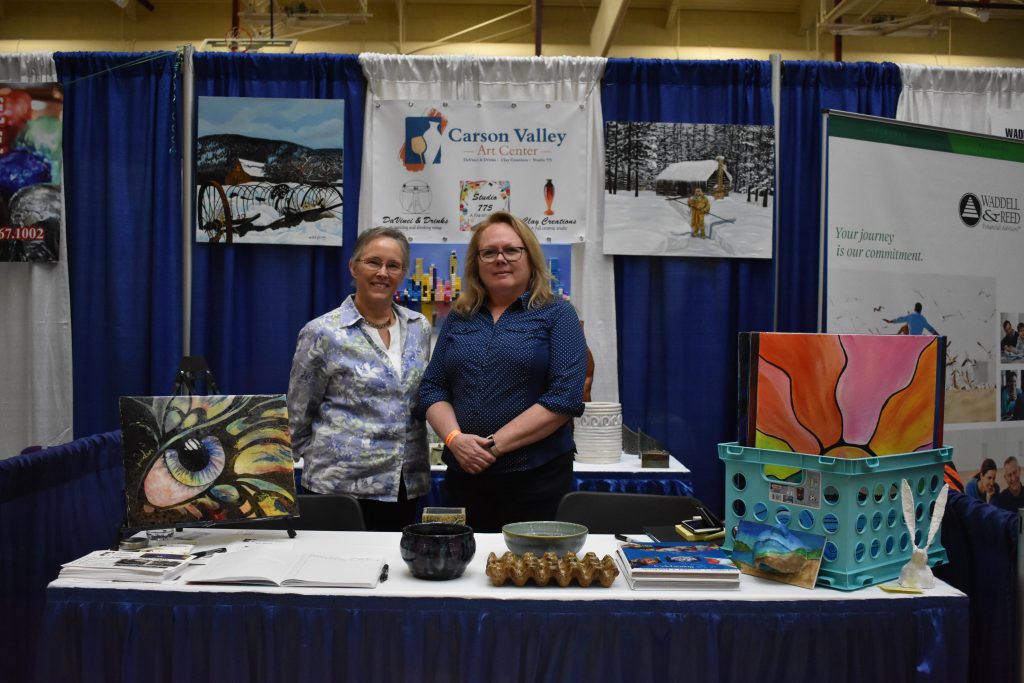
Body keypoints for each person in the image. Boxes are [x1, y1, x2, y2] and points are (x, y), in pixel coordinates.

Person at [418, 211, 588, 532]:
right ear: (476, 263)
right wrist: (455, 440)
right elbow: (432, 388)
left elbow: (565, 398)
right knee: (465, 561)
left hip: (536, 478)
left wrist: (491, 447)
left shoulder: (558, 314)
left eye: (512, 250)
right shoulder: (459, 317)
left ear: (530, 257)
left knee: (527, 562)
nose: (500, 259)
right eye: (489, 252)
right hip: (464, 475)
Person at [287, 227, 431, 531]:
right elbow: (298, 413)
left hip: (403, 484)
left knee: (395, 562)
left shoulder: (419, 327)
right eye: (373, 262)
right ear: (353, 267)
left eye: (393, 265)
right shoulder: (322, 332)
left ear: (403, 273)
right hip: (339, 487)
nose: (383, 273)